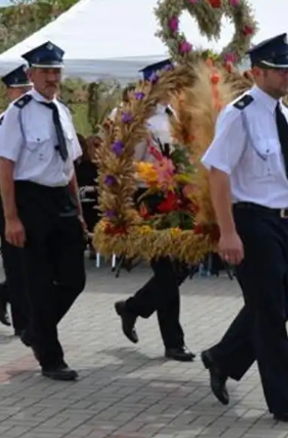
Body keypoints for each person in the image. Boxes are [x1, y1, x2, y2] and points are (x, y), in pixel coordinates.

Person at [197, 34, 288, 427]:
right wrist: (227, 232)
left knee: (281, 305)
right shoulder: (240, 112)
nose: (287, 75)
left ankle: (223, 357)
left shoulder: (286, 116)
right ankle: (286, 402)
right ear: (257, 72)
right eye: (279, 69)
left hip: (286, 222)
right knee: (269, 315)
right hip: (253, 222)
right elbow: (218, 172)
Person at [0, 41, 88, 381]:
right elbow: (5, 167)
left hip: (61, 198)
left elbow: (70, 165)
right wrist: (11, 217)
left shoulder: (62, 111)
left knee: (74, 279)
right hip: (30, 200)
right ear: (31, 74)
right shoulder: (18, 112)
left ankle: (36, 329)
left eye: (56, 71)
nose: (52, 77)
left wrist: (78, 210)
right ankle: (51, 358)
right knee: (39, 283)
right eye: (45, 71)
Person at [114, 59, 195, 362]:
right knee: (165, 270)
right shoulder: (140, 119)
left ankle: (133, 307)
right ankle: (173, 342)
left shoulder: (174, 114)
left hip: (177, 196)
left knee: (184, 265)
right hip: (148, 197)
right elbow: (127, 164)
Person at [0, 66, 33, 343]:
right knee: (15, 261)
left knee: (33, 260)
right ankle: (23, 324)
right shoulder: (0, 125)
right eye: (19, 90)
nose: (23, 95)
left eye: (27, 90)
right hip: (6, 195)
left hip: (31, 194)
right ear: (8, 93)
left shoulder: (37, 118)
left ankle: (3, 294)